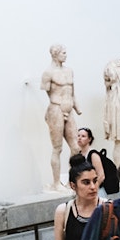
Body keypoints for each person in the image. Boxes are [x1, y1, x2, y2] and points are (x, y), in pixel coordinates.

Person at [41, 44, 81, 190]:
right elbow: (48, 92)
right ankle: (56, 182)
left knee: (76, 147)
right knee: (57, 148)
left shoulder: (69, 71)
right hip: (56, 109)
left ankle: (71, 181)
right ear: (55, 54)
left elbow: (72, 92)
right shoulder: (48, 73)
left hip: (69, 109)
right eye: (63, 53)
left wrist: (77, 108)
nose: (65, 55)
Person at [75, 127, 107, 191]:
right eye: (78, 136)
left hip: (97, 190)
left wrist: (93, 188)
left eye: (83, 136)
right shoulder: (79, 154)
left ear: (89, 139)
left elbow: (101, 176)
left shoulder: (93, 154)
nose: (79, 138)